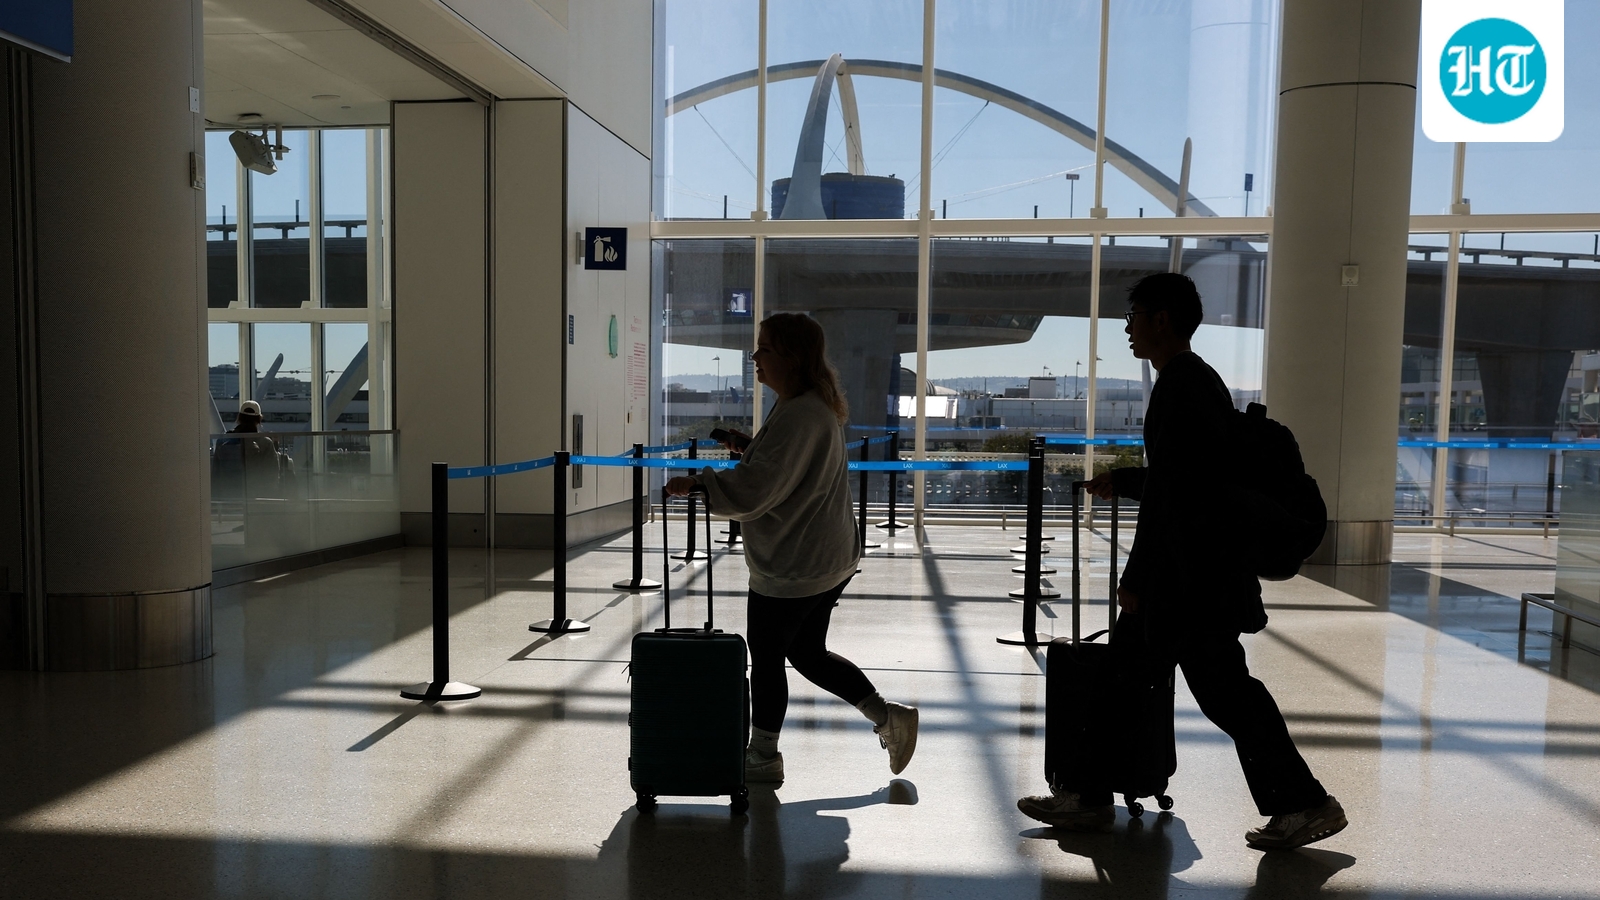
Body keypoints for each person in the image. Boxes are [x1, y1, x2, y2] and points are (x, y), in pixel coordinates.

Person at [1017, 273, 1345, 851]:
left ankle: (1303, 802)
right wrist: (1124, 480)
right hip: (1198, 578)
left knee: (1224, 694)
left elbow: (1179, 499)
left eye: (1135, 316)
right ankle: (1088, 794)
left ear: (1161, 320)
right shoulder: (1194, 384)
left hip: (1190, 584)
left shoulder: (1183, 388)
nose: (1128, 328)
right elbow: (1185, 481)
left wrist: (1136, 577)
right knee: (1130, 679)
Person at [666, 313, 919, 784]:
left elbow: (759, 487)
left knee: (766, 657)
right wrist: (750, 451)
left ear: (791, 356)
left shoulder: (800, 412)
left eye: (763, 348)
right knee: (805, 652)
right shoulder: (806, 404)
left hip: (798, 564)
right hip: (826, 556)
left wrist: (699, 485)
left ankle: (763, 755)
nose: (754, 358)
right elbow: (782, 468)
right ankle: (889, 718)